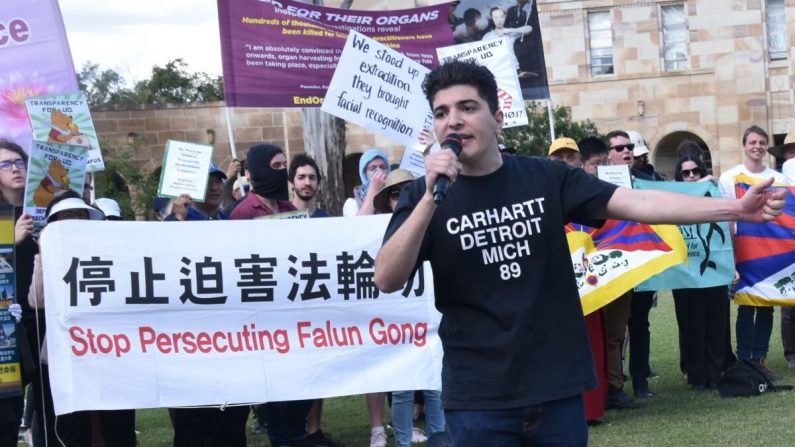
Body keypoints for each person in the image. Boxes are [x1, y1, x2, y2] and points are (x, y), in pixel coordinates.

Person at [374, 60, 786, 445]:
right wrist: (430, 197)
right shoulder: (422, 195)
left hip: (555, 389)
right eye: (442, 112)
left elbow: (640, 205)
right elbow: (387, 278)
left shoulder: (545, 177)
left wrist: (736, 208)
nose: (454, 120)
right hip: (479, 398)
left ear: (497, 118)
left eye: (467, 106)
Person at [30, 193, 139, 447]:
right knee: (74, 428)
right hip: (66, 355)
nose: (73, 221)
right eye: (65, 217)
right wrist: (43, 255)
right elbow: (37, 300)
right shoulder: (47, 255)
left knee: (116, 423)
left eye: (79, 215)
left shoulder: (109, 254)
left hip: (110, 350)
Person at [373, 169, 447, 447]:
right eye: (396, 194)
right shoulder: (377, 227)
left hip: (431, 317)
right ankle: (403, 440)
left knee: (434, 385)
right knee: (402, 387)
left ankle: (440, 437)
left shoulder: (436, 218)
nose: (404, 198)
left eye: (408, 191)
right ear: (388, 200)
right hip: (395, 320)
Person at [718, 125, 786, 377]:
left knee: (766, 303)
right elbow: (728, 216)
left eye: (761, 142)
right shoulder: (730, 176)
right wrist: (731, 255)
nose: (757, 147)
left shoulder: (779, 178)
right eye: (752, 142)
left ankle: (760, 358)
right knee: (746, 305)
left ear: (766, 146)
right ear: (744, 145)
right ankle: (744, 358)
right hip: (743, 247)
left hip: (770, 248)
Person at [672, 155, 729, 390]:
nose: (692, 176)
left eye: (696, 171)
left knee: (717, 323)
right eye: (686, 173)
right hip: (684, 273)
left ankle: (716, 374)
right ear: (679, 176)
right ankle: (697, 377)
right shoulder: (671, 199)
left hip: (714, 270)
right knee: (690, 325)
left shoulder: (714, 195)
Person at [602, 130, 641, 408]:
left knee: (621, 331)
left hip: (630, 269)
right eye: (619, 148)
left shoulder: (642, 185)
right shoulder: (592, 184)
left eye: (629, 147)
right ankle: (608, 387)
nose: (626, 151)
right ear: (608, 155)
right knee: (607, 334)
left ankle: (619, 384)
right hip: (602, 269)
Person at [0, 140, 32, 447]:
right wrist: (11, 239)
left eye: (19, 162)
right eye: (5, 164)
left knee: (16, 411)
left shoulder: (42, 209)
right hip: (5, 330)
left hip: (36, 322)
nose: (14, 169)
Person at [771, 132, 795, 369]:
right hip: (786, 245)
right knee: (789, 302)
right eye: (789, 150)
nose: (792, 154)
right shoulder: (778, 181)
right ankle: (791, 352)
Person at [230, 145, 296, 220]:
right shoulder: (243, 213)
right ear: (261, 170)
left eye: (284, 164)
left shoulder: (289, 207)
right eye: (276, 165)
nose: (283, 169)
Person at [481, 6, 532, 77]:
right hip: (497, 70)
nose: (499, 20)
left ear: (505, 17)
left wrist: (510, 30)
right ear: (492, 18)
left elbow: (529, 29)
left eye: (501, 17)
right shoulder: (487, 36)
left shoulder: (509, 32)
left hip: (513, 69)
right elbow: (483, 54)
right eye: (496, 18)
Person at [343, 149, 390, 217]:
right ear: (364, 174)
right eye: (373, 168)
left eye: (382, 167)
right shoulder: (352, 203)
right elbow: (359, 225)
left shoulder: (394, 195)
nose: (379, 171)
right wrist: (374, 189)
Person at [289, 153, 331, 217]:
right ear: (292, 183)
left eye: (312, 178)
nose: (307, 183)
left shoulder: (327, 220)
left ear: (318, 183)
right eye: (301, 177)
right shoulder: (280, 218)